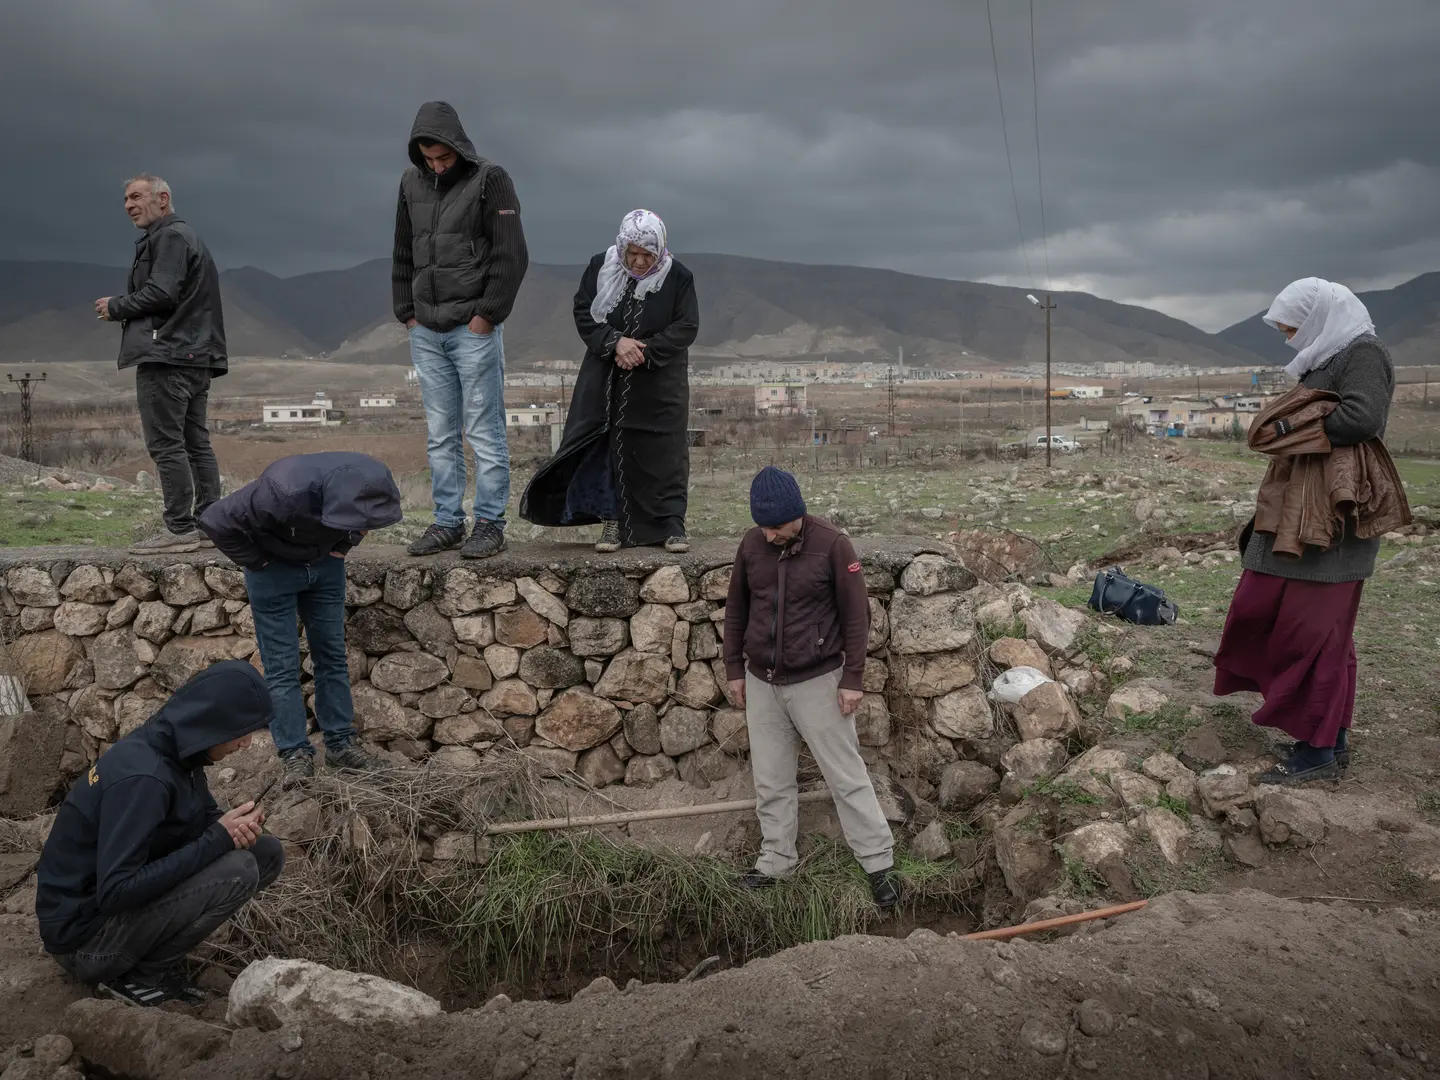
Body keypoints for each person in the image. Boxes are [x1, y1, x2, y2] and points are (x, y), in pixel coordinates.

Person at [1215, 277, 1404, 785]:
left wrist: (1291, 425)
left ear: (1319, 317)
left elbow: (1362, 417)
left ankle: (1317, 750)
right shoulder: (1326, 354)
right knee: (1292, 620)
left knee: (1314, 633)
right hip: (1299, 508)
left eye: (1292, 326)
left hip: (1333, 517)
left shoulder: (1362, 352)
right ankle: (1330, 737)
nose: (1288, 337)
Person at [35, 660, 282, 1007]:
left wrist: (233, 825)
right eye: (241, 731)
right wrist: (218, 838)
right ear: (212, 723)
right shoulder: (145, 779)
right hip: (85, 944)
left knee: (265, 854)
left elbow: (198, 817)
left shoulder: (179, 749)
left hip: (104, 917)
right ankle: (136, 977)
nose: (247, 743)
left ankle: (144, 960)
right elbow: (117, 891)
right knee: (238, 869)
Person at [723, 467, 900, 907]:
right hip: (762, 682)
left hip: (819, 682)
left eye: (776, 527)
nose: (768, 536)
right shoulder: (751, 545)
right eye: (762, 526)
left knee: (847, 776)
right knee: (771, 779)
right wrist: (733, 670)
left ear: (796, 515)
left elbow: (857, 616)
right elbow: (736, 611)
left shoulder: (833, 545)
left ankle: (878, 864)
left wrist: (853, 678)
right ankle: (776, 861)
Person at [199, 452, 403, 780]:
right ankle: (294, 752)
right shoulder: (279, 492)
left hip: (326, 568)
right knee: (282, 667)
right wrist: (258, 563)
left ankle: (340, 745)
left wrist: (343, 546)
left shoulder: (373, 479)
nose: (364, 530)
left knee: (333, 658)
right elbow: (215, 520)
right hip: (272, 571)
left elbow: (367, 519)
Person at [393, 101, 530, 560]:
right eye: (429, 159)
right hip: (426, 330)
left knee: (484, 429)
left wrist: (486, 317)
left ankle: (489, 523)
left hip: (472, 328)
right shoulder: (410, 183)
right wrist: (407, 313)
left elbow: (511, 254)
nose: (437, 165)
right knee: (440, 433)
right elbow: (403, 252)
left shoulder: (491, 179)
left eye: (444, 157)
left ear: (457, 146)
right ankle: (448, 522)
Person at [520, 209, 699, 553]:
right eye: (633, 253)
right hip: (606, 378)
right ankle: (612, 523)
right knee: (609, 449)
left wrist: (644, 352)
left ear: (660, 250)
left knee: (664, 454)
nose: (640, 261)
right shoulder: (600, 268)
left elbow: (686, 326)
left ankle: (671, 525)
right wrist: (615, 342)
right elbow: (584, 311)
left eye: (648, 254)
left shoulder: (679, 277)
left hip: (660, 384)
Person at [94, 175, 226, 555]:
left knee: (167, 445)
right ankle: (209, 524)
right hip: (196, 357)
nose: (128, 205)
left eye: (136, 196)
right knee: (195, 443)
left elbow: (161, 292)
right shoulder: (187, 236)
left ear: (162, 198)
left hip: (167, 356)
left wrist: (115, 306)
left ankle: (179, 529)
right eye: (125, 199)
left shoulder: (169, 237)